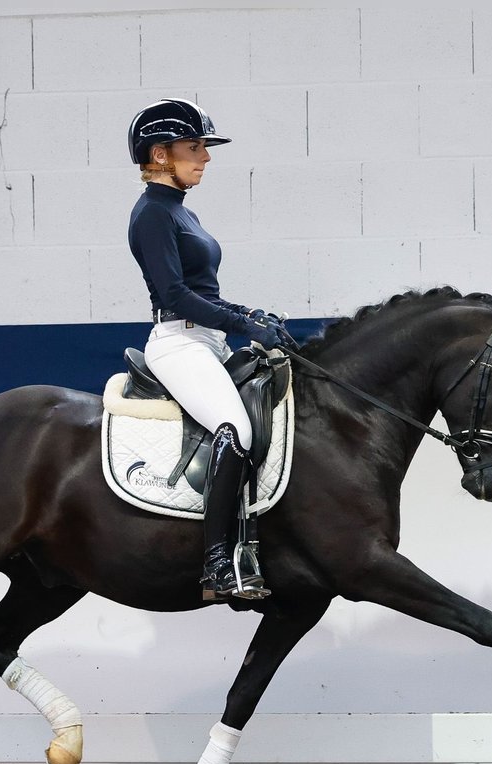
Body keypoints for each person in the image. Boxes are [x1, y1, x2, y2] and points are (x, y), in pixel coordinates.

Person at [126, 98, 296, 606]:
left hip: (206, 337)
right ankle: (218, 563)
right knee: (236, 429)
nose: (205, 157)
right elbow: (175, 295)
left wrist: (252, 316)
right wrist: (244, 323)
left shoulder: (181, 210)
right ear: (160, 154)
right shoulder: (152, 215)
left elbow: (207, 292)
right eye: (194, 147)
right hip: (179, 342)